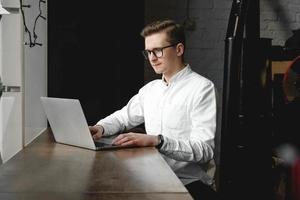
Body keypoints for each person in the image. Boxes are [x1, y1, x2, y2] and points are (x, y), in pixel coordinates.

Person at [89, 19, 218, 200]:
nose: (152, 58)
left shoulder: (202, 88)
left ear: (179, 49)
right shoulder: (150, 89)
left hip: (187, 183)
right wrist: (100, 128)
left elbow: (204, 149)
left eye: (158, 50)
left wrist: (157, 141)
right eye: (148, 52)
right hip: (150, 178)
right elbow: (122, 118)